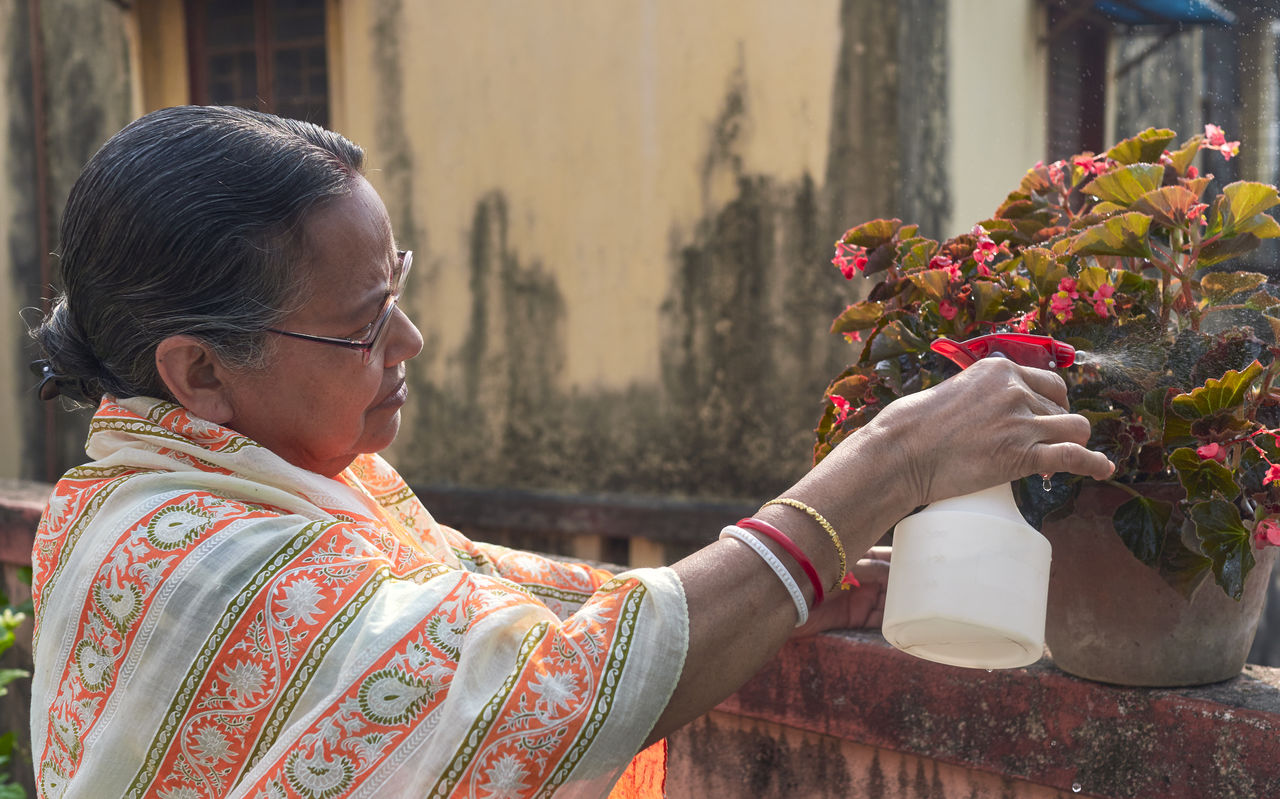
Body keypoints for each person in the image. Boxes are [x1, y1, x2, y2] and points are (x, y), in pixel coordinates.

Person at [27, 106, 1113, 799]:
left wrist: (805, 576)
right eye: (363, 324)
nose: (406, 344)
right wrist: (888, 459)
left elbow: (495, 598)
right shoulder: (204, 559)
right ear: (200, 373)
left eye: (397, 292)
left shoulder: (175, 489)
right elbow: (549, 685)